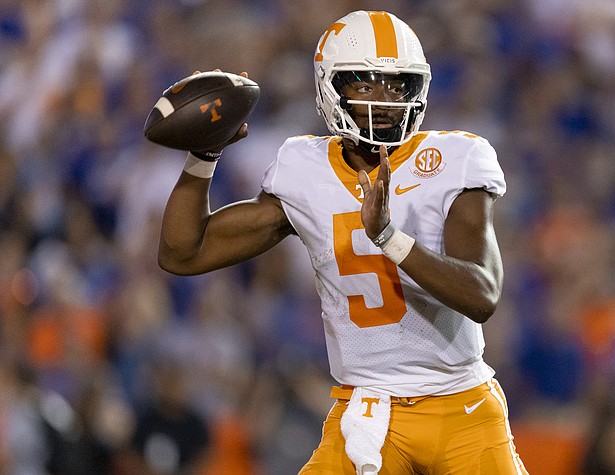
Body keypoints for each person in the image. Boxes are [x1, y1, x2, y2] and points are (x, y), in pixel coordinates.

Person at [158, 10, 528, 474]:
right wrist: (203, 155)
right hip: (367, 406)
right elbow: (182, 253)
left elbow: (482, 295)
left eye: (398, 86)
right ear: (331, 88)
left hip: (460, 404)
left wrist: (389, 238)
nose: (385, 101)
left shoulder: (453, 159)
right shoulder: (304, 169)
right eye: (366, 83)